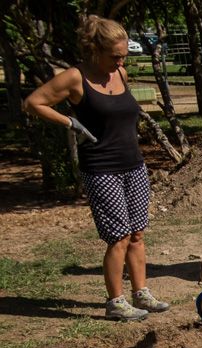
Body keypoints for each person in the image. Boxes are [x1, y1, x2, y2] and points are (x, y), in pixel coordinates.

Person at [22, 15, 170, 322]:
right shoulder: (76, 78)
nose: (119, 62)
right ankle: (115, 301)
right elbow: (34, 102)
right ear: (95, 50)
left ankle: (141, 293)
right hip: (101, 168)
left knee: (137, 234)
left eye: (123, 57)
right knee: (118, 236)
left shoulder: (121, 74)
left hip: (133, 164)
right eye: (114, 56)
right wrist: (70, 122)